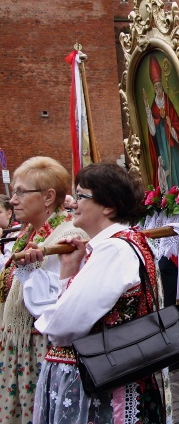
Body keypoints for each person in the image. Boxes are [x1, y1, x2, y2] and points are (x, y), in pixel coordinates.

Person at [32, 163, 166, 423]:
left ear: (108, 206)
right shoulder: (129, 240)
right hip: (121, 373)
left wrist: (49, 318)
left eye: (82, 196)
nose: (74, 203)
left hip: (104, 382)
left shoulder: (113, 250)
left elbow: (63, 327)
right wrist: (70, 269)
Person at [0, 157, 87, 424]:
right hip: (20, 346)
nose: (13, 199)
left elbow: (58, 300)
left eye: (21, 192)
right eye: (14, 191)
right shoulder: (28, 234)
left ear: (48, 197)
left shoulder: (68, 236)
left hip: (43, 348)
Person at [143, 55, 179, 189]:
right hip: (162, 144)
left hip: (173, 145)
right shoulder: (153, 107)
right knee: (166, 166)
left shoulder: (168, 104)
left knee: (176, 166)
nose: (158, 90)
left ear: (162, 87)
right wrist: (151, 115)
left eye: (160, 86)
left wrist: (171, 125)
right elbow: (152, 132)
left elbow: (177, 124)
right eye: (156, 87)